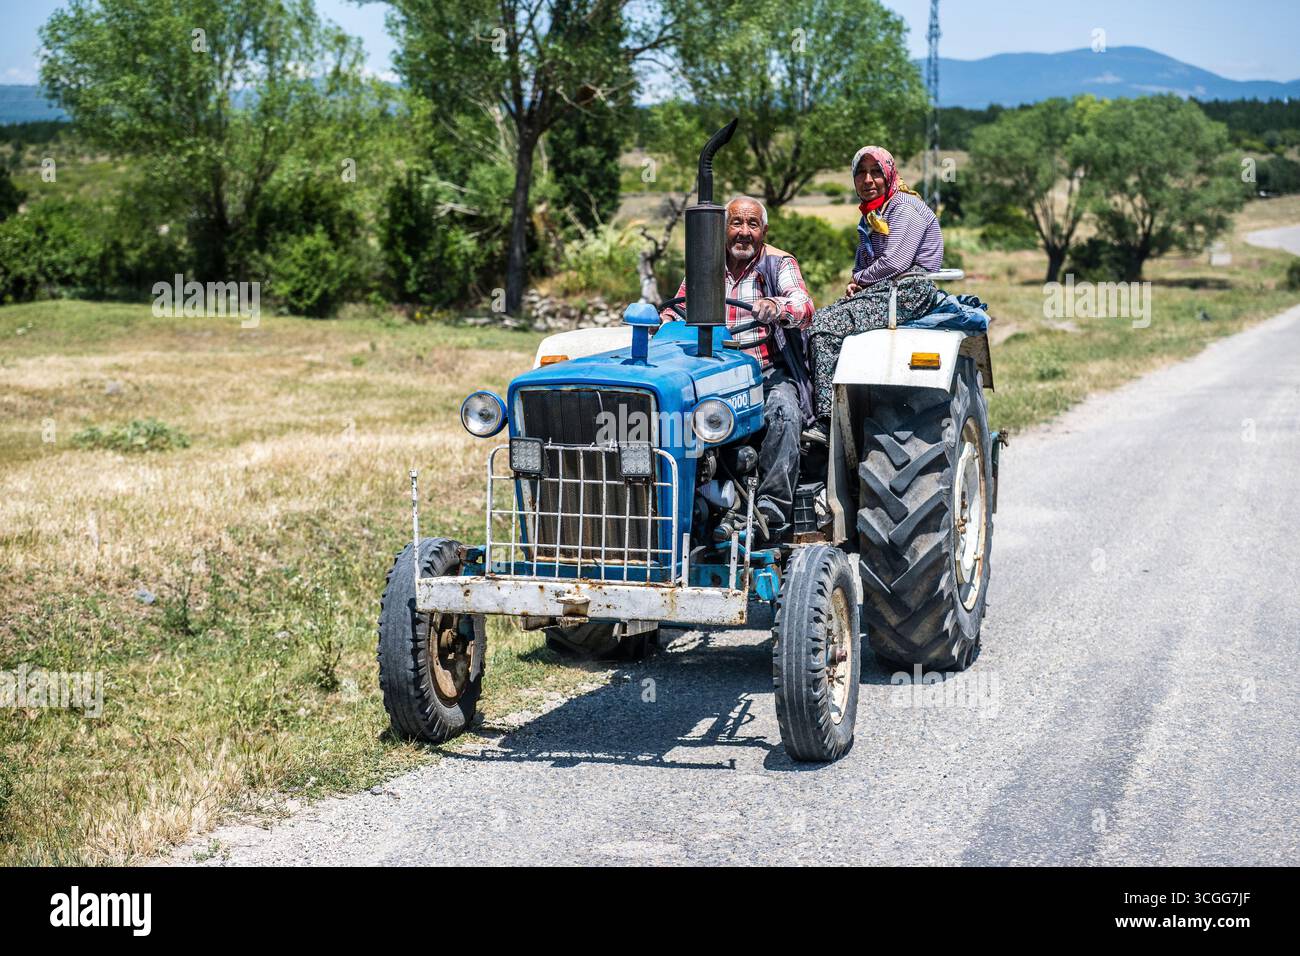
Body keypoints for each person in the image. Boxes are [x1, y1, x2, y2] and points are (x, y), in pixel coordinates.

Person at [660, 195, 815, 541]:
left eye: (752, 224)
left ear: (764, 230)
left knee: (784, 412)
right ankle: (678, 506)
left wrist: (777, 306)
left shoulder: (778, 264)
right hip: (712, 377)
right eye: (736, 223)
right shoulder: (706, 266)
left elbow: (804, 305)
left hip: (764, 373)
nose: (744, 232)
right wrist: (664, 319)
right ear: (723, 228)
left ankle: (771, 512)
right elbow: (680, 308)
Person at [804, 146, 944, 444]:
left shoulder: (904, 208)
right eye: (860, 173)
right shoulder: (873, 214)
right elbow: (865, 264)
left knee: (824, 327)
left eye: (876, 172)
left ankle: (827, 421)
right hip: (885, 290)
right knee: (809, 323)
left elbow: (896, 262)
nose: (868, 180)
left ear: (889, 173)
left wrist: (859, 279)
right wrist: (860, 282)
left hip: (908, 291)